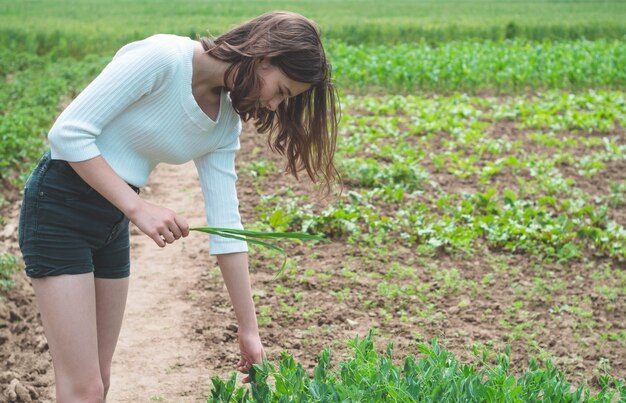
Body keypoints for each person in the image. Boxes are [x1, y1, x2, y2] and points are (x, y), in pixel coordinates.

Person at [17, 10, 339, 402]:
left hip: (110, 221)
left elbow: (228, 228)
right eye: (282, 91)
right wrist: (139, 209)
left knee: (99, 379)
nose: (273, 106)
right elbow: (66, 134)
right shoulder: (163, 58)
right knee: (82, 388)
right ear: (265, 55)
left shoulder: (225, 124)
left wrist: (248, 330)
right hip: (58, 208)